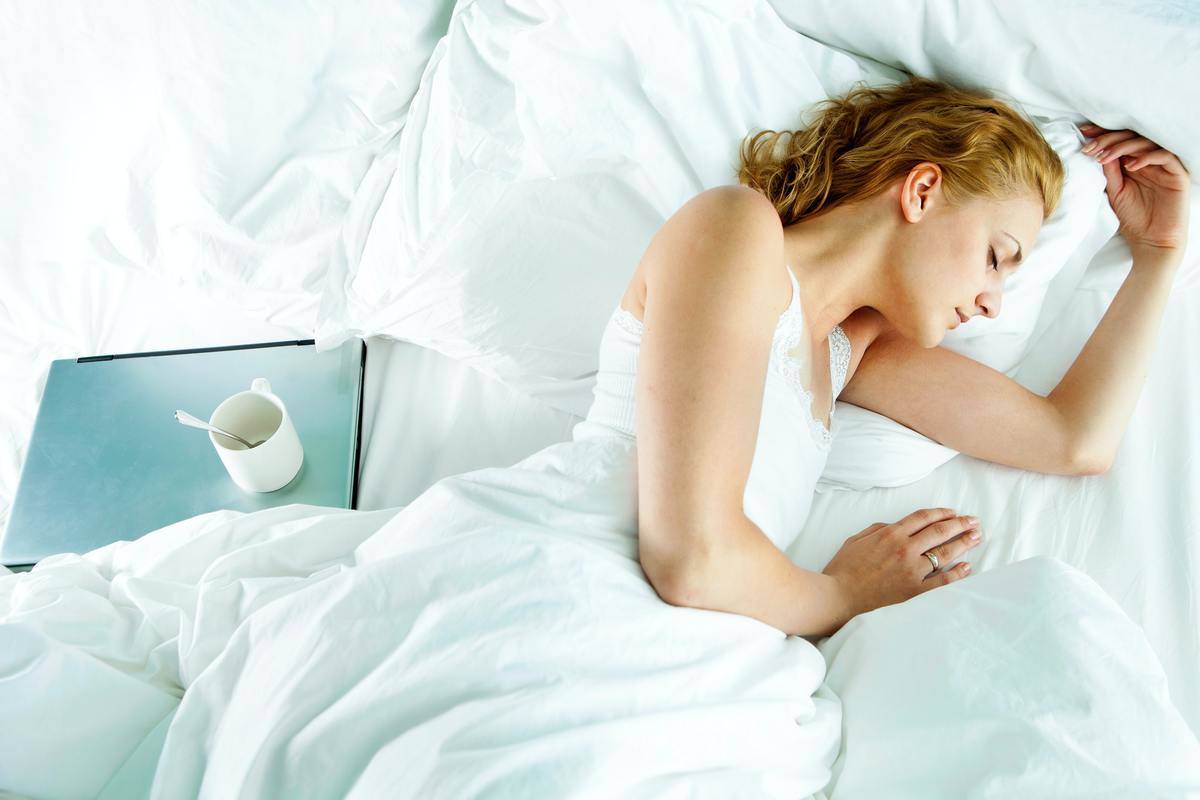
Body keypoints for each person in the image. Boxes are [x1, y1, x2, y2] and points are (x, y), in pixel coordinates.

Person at [614, 76, 1190, 638]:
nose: (993, 305)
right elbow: (691, 561)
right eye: (996, 257)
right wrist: (845, 593)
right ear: (921, 191)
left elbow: (1075, 441)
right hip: (601, 599)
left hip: (703, 651)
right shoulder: (735, 226)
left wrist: (1159, 253)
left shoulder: (850, 348)